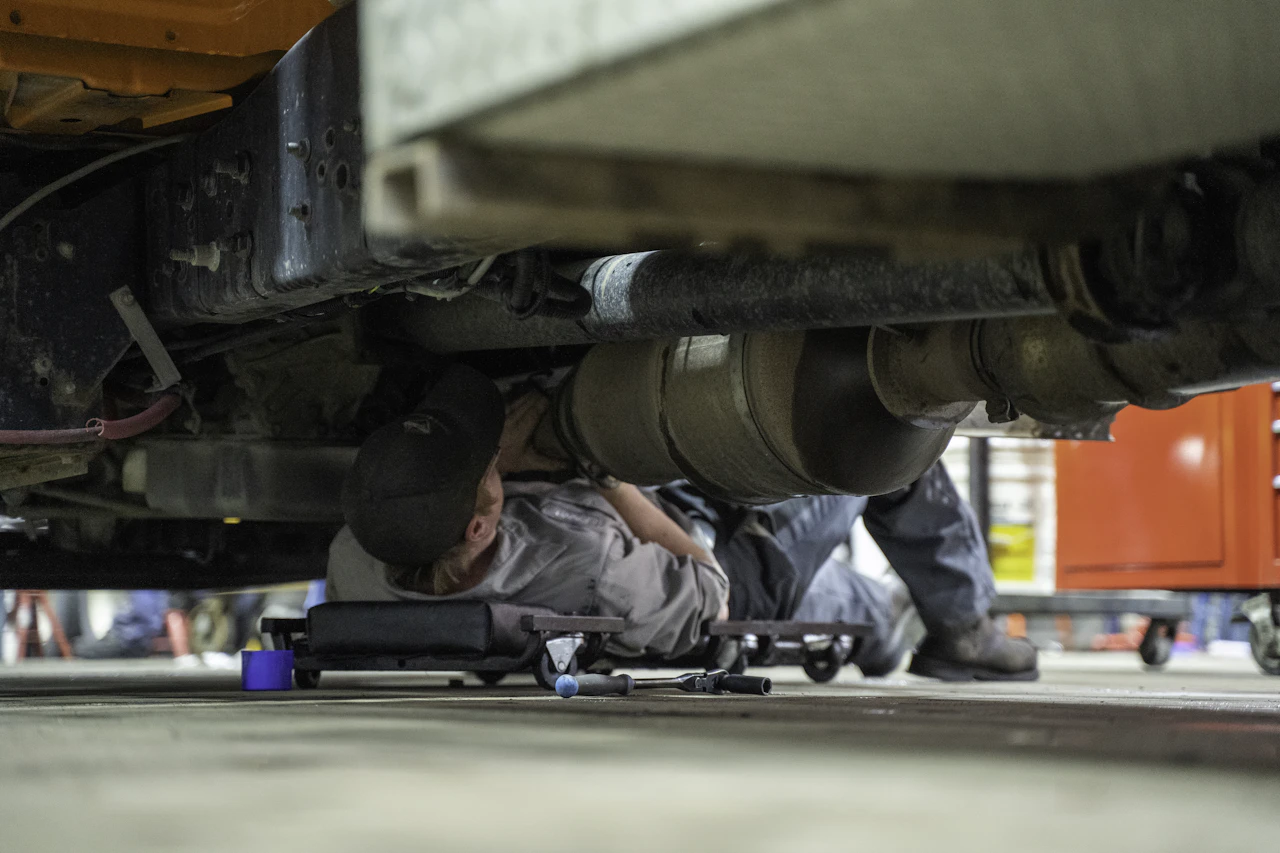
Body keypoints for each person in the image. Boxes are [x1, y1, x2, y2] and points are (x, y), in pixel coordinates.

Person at [329, 364, 1037, 680]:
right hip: (736, 578)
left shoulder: (361, 554)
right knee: (883, 441)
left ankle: (882, 622)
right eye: (489, 468)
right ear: (481, 527)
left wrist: (506, 470)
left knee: (857, 608)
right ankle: (963, 629)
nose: (496, 461)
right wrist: (599, 471)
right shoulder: (589, 564)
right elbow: (710, 587)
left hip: (664, 540)